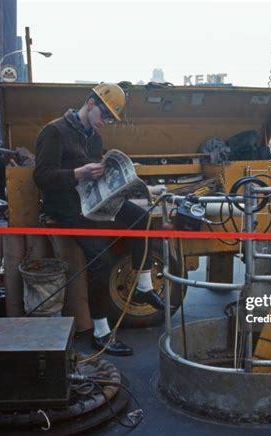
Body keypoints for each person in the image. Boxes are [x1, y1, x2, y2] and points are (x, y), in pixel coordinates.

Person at [34, 83, 165, 357]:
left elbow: (95, 171)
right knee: (100, 259)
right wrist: (78, 173)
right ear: (91, 104)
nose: (105, 123)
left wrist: (118, 180)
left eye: (109, 119)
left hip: (92, 200)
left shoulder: (93, 137)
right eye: (104, 116)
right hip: (66, 207)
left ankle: (142, 287)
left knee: (141, 217)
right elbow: (42, 177)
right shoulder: (54, 131)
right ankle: (102, 333)